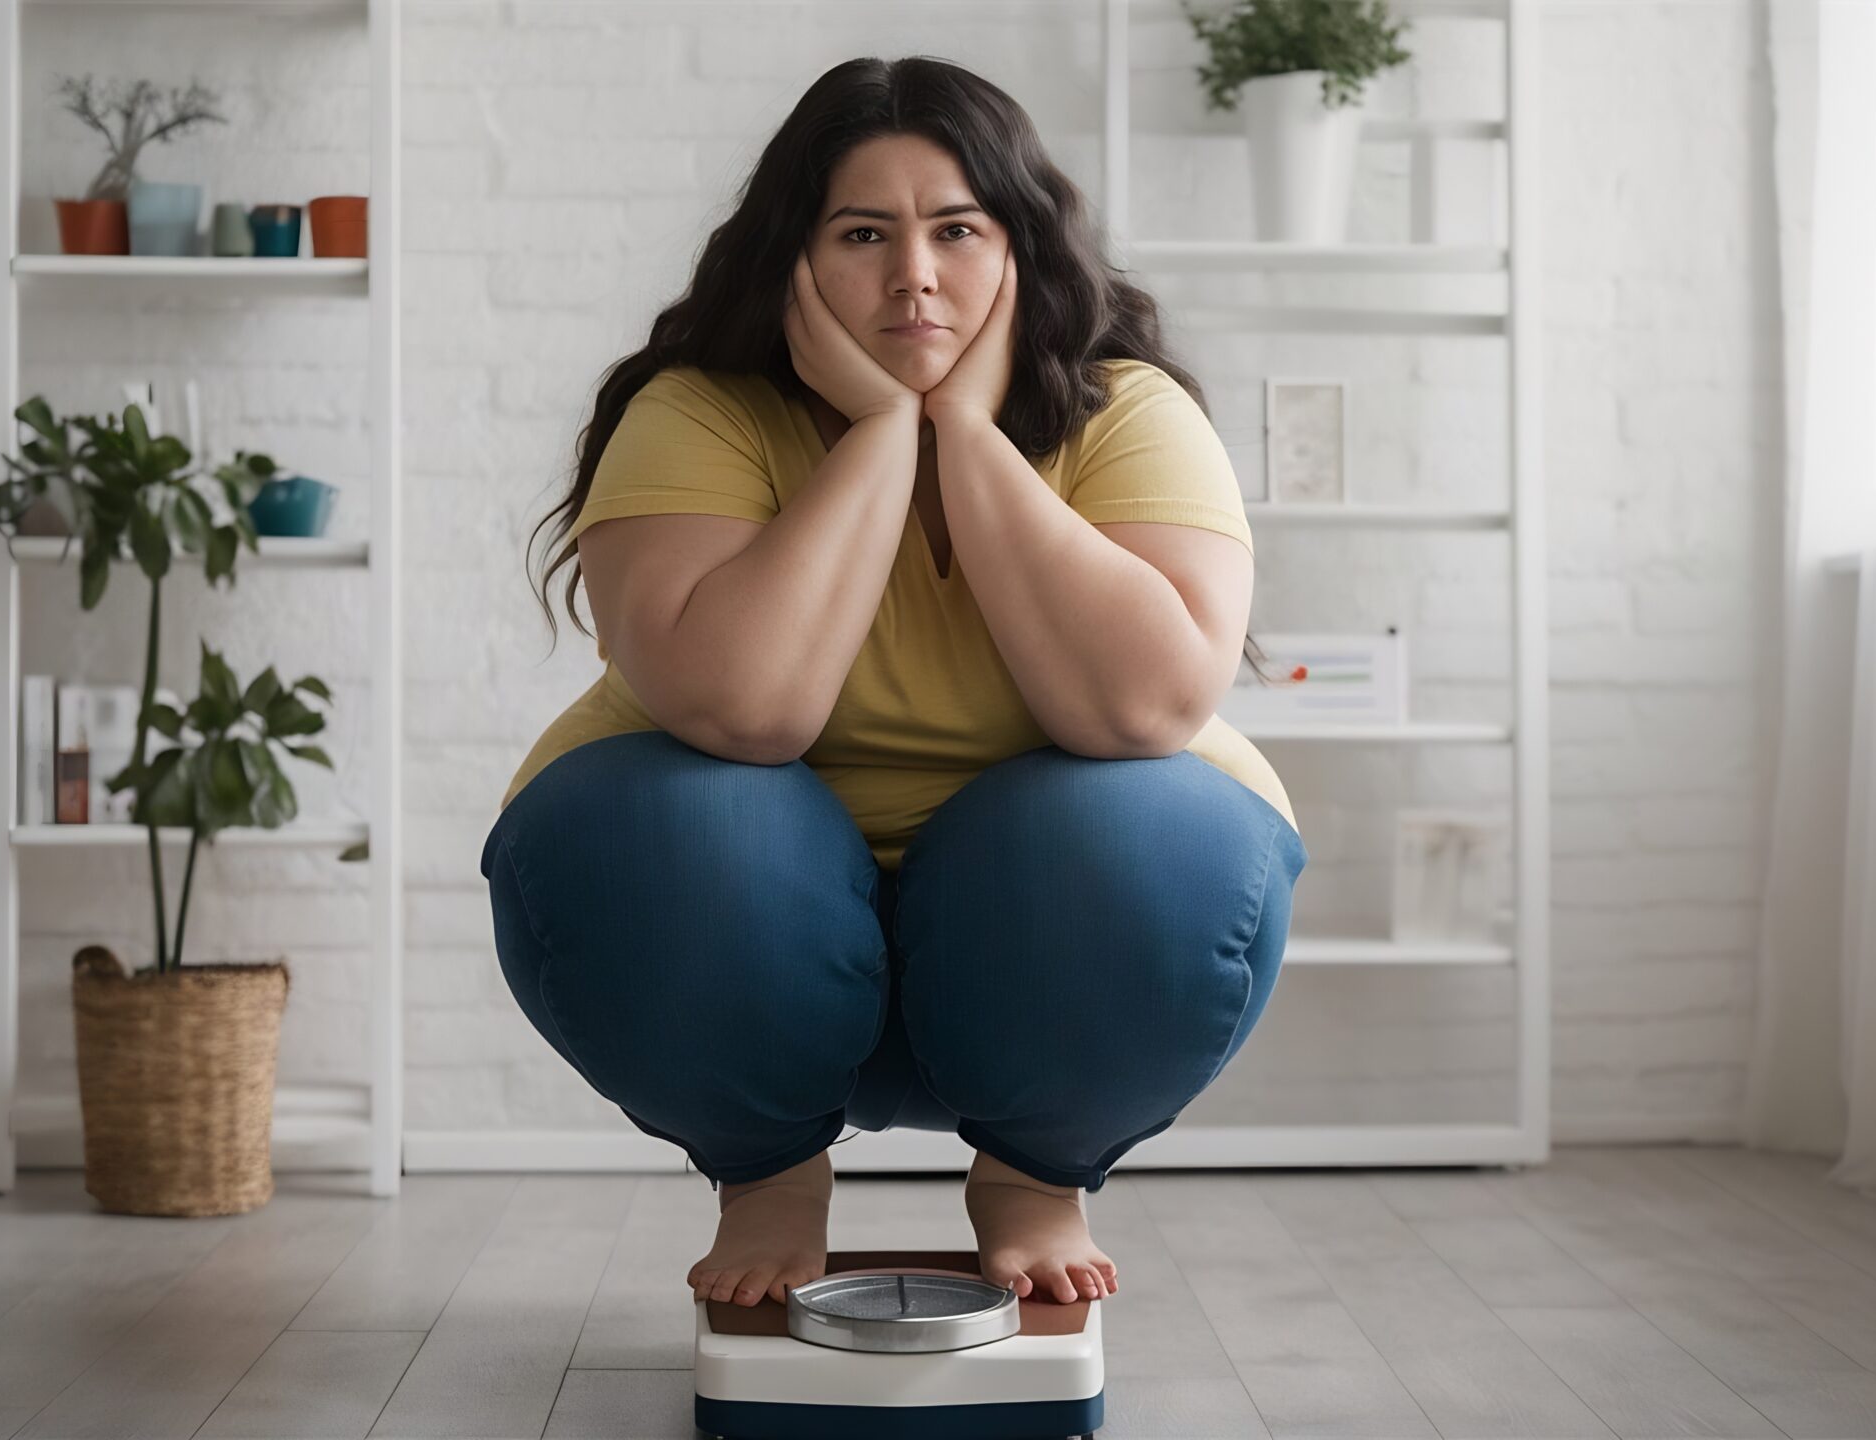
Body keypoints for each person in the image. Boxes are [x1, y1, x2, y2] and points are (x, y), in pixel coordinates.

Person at [484, 55, 1307, 1313]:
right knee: (661, 816)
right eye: (862, 233)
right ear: (795, 259)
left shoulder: (1127, 411)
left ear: (1020, 249)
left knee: (1150, 821)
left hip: (1057, 955)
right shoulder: (696, 411)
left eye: (956, 231)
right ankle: (768, 1171)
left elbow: (1139, 710)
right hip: (734, 953)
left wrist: (964, 435)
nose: (913, 274)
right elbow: (744, 712)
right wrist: (880, 435)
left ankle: (1034, 1171)